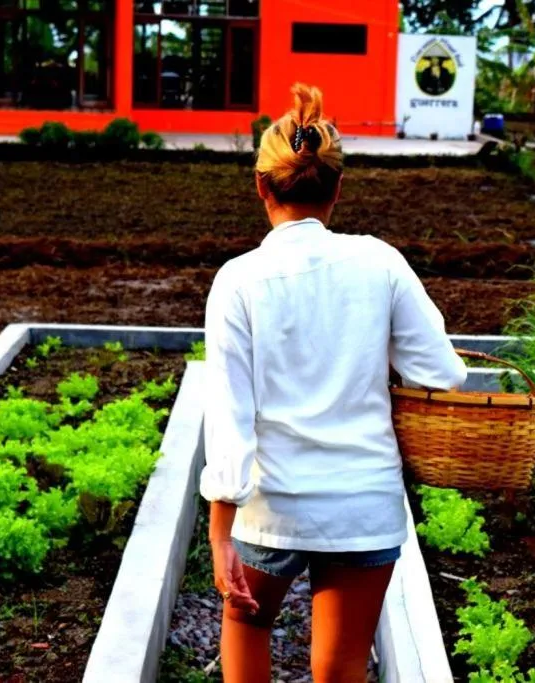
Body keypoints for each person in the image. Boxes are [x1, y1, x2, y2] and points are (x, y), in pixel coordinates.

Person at [200, 82, 467, 683]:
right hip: (363, 504)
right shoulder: (381, 262)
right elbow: (444, 373)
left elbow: (230, 416)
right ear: (338, 188)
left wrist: (221, 537)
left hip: (273, 507)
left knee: (247, 624)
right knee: (342, 665)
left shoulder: (238, 280)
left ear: (261, 186)